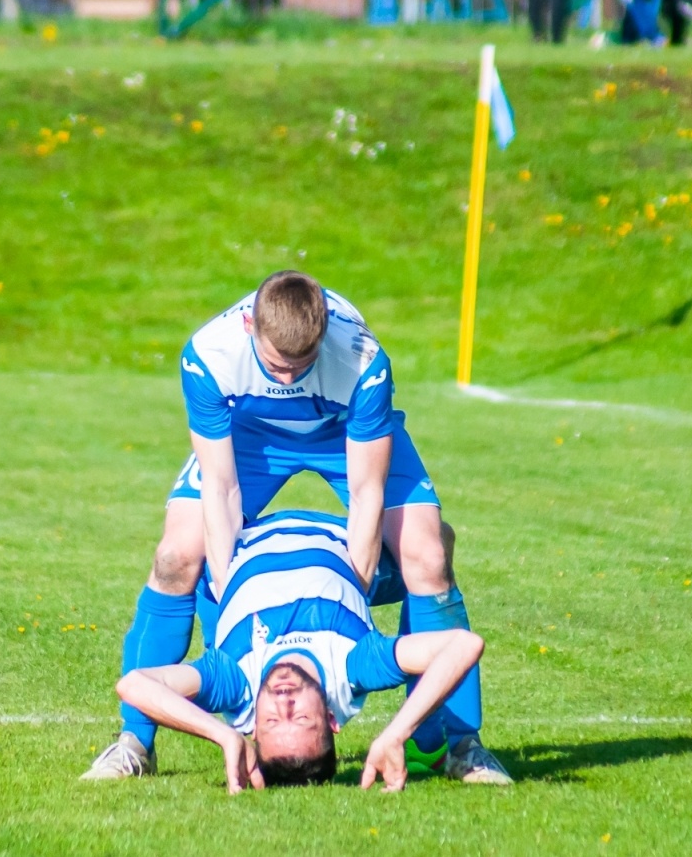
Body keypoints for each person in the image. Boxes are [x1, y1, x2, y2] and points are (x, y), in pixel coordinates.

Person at [83, 271, 509, 785]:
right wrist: (228, 595)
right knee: (175, 558)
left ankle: (457, 745)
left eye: (301, 365)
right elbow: (220, 487)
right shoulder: (209, 355)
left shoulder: (363, 362)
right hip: (251, 433)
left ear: (325, 335)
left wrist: (355, 587)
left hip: (341, 430)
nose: (287, 379)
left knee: (428, 555)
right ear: (249, 327)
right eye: (276, 365)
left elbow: (368, 489)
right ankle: (134, 743)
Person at [112, 509, 485, 792]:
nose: (284, 704)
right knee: (435, 547)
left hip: (242, 538)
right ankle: (441, 744)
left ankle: (135, 744)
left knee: (173, 558)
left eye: (272, 722)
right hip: (338, 538)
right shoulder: (352, 668)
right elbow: (463, 645)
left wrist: (223, 735)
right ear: (331, 717)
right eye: (303, 719)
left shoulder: (236, 684)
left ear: (254, 725)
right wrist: (397, 732)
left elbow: (134, 684)